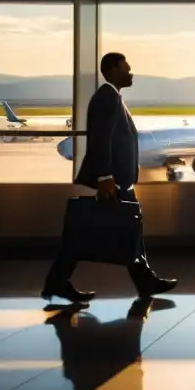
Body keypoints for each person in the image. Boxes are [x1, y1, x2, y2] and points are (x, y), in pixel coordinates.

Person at [43, 53, 177, 303]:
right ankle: (58, 282)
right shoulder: (107, 98)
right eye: (126, 68)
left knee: (124, 229)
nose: (131, 72)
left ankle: (144, 280)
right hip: (114, 181)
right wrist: (105, 177)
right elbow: (100, 141)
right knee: (105, 232)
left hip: (118, 180)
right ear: (113, 70)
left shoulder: (112, 96)